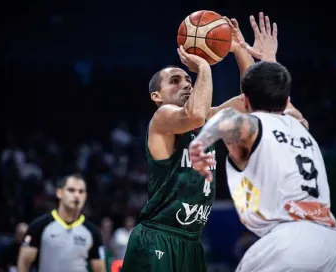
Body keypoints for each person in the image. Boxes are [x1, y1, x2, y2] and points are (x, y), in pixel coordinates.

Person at [122, 12, 302, 272]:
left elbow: (253, 102)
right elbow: (194, 114)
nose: (186, 83)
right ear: (156, 96)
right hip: (158, 236)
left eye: (187, 79)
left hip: (191, 241)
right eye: (175, 81)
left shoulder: (207, 120)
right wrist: (204, 66)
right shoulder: (162, 118)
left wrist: (237, 49)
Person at [188, 14, 336, 272]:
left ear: (245, 102)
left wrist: (200, 144)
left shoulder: (253, 127)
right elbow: (270, 95)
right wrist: (265, 59)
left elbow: (227, 121)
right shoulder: (301, 125)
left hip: (288, 242)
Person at [17, 174, 105, 272]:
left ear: (85, 196)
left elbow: (100, 269)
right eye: (71, 190)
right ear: (59, 193)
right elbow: (23, 263)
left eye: (81, 192)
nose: (76, 195)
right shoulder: (39, 226)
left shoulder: (93, 232)